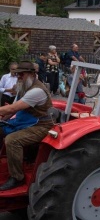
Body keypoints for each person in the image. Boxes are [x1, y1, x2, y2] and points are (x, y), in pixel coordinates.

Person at [0, 61, 53, 190]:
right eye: (17, 74)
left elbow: (12, 108)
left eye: (21, 74)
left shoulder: (37, 91)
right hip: (25, 122)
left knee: (12, 140)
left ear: (31, 74)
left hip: (41, 126)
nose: (18, 77)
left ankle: (17, 177)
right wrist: (1, 120)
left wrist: (4, 114)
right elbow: (13, 110)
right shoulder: (24, 87)